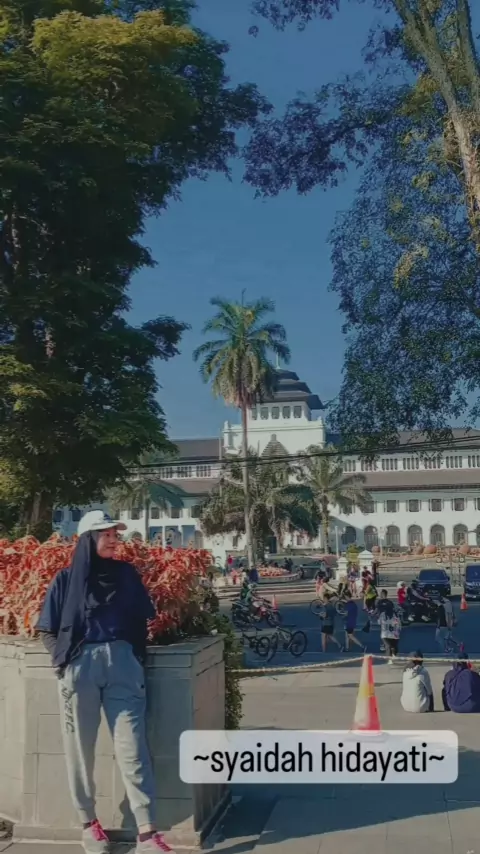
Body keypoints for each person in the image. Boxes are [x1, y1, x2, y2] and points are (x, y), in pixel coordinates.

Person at [36, 510, 175, 854]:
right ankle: (89, 825)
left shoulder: (126, 575)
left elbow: (141, 619)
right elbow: (47, 629)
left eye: (115, 534)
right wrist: (64, 662)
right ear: (87, 539)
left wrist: (132, 657)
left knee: (133, 748)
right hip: (79, 669)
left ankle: (147, 833)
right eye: (106, 534)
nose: (114, 540)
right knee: (79, 750)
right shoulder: (65, 580)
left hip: (123, 667)